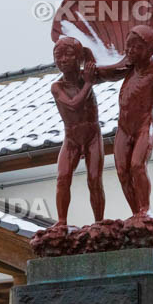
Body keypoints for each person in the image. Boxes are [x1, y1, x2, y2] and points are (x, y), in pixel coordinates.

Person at [95, 24, 153, 217]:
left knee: (137, 166)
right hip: (123, 128)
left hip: (142, 127)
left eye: (136, 47)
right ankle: (136, 214)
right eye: (128, 46)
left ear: (151, 51)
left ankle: (145, 210)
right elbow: (105, 72)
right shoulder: (128, 66)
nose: (130, 51)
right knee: (122, 172)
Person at [51, 37, 105, 226]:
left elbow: (113, 71)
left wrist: (91, 59)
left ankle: (99, 221)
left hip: (92, 135)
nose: (63, 60)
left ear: (78, 57)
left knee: (94, 179)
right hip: (72, 137)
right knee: (63, 177)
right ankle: (62, 221)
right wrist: (89, 84)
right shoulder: (57, 87)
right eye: (58, 56)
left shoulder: (88, 75)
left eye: (68, 55)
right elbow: (73, 105)